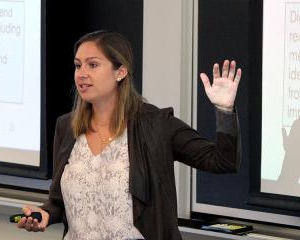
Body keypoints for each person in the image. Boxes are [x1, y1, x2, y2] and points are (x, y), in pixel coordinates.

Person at [16, 29, 242, 240]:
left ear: (120, 72)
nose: (81, 74)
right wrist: (45, 213)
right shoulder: (67, 127)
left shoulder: (156, 125)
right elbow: (58, 202)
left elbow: (223, 161)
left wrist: (224, 111)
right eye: (77, 66)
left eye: (93, 65)